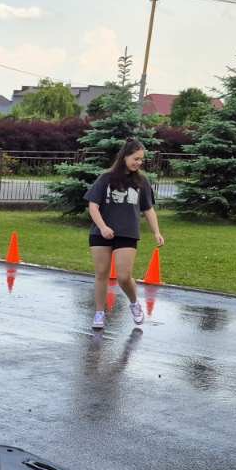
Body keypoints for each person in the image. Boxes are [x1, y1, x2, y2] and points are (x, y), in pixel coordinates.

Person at [86, 138, 164, 330]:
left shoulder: (141, 181)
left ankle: (134, 303)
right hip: (101, 233)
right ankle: (99, 313)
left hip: (127, 233)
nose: (139, 163)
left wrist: (156, 232)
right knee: (101, 274)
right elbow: (93, 206)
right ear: (125, 157)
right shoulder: (106, 178)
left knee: (123, 276)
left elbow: (148, 209)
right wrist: (103, 227)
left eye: (141, 159)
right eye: (135, 158)